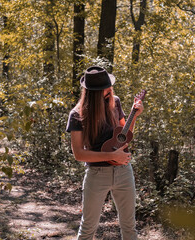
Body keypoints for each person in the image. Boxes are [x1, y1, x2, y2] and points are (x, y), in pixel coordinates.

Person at [66, 66, 144, 240]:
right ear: (94, 92)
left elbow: (124, 135)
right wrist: (111, 156)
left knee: (129, 227)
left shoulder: (115, 102)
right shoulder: (77, 115)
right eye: (106, 88)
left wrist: (135, 115)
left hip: (124, 171)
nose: (110, 89)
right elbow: (79, 154)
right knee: (87, 229)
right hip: (96, 175)